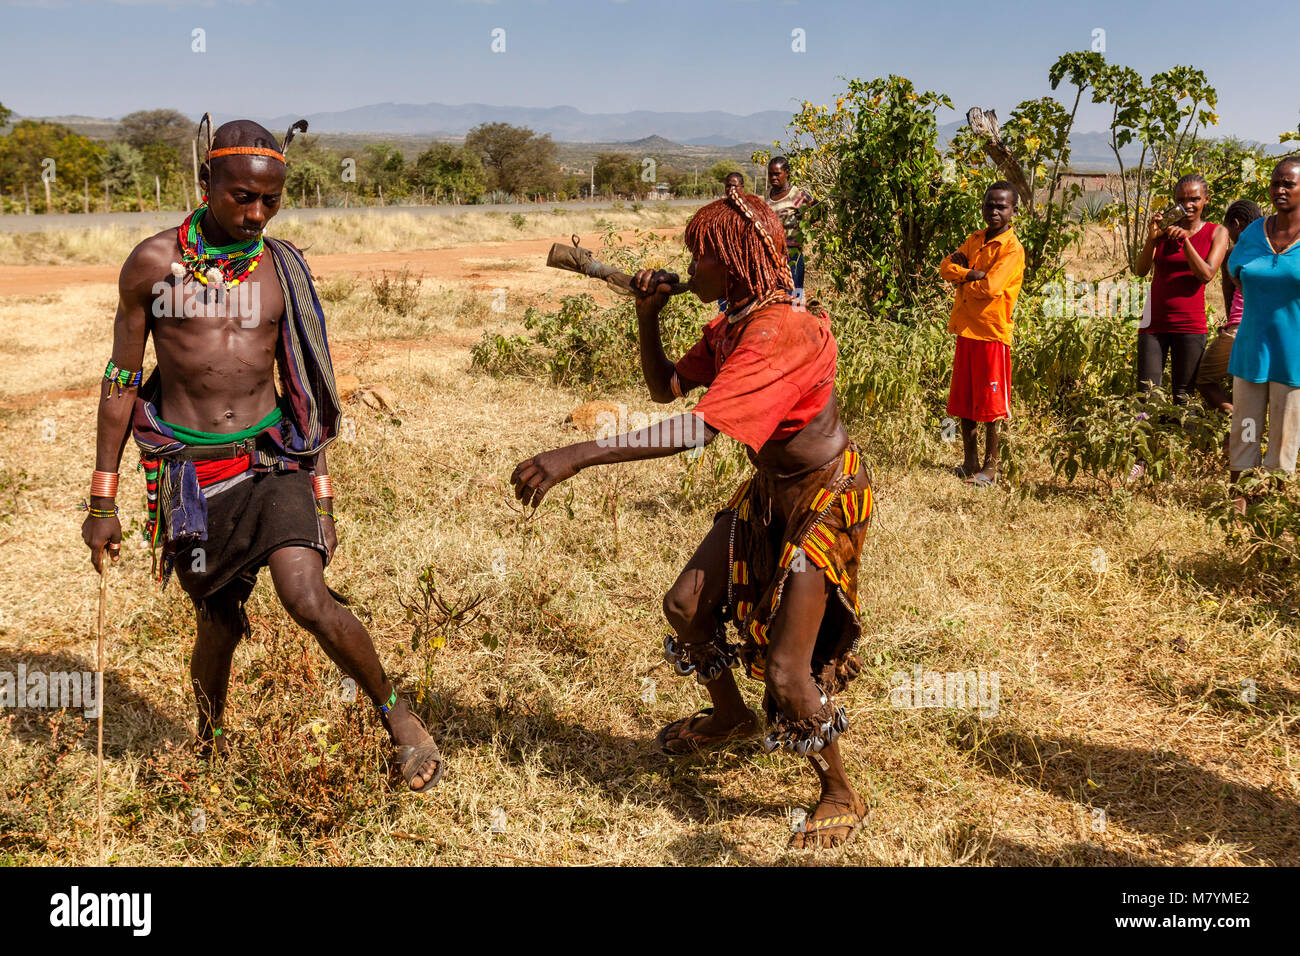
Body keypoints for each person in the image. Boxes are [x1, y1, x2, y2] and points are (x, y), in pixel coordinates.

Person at [80, 118, 444, 791]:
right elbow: (121, 382)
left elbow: (305, 388)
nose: (256, 214)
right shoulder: (153, 265)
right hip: (189, 476)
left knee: (306, 596)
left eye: (271, 201)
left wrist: (323, 496)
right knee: (219, 621)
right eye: (241, 197)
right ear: (205, 182)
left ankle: (400, 720)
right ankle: (211, 740)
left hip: (271, 459)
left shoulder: (282, 269)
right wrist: (101, 498)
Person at [511, 185, 873, 849]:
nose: (689, 269)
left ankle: (839, 790)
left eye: (697, 258)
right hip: (770, 489)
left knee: (790, 672)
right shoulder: (733, 323)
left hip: (823, 499)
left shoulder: (780, 331)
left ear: (731, 263)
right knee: (685, 606)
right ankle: (731, 720)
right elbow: (665, 389)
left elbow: (696, 430)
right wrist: (648, 314)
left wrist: (579, 454)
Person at [938, 182, 1025, 486]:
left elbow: (992, 288)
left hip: (991, 333)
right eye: (989, 204)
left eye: (1001, 206)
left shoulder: (1011, 248)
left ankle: (991, 466)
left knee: (991, 404)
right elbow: (945, 267)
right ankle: (969, 461)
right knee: (964, 400)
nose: (994, 211)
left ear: (1014, 210)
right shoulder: (975, 240)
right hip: (966, 330)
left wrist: (965, 280)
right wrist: (970, 274)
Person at [1226, 157, 1300, 480]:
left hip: (1293, 356)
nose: (1280, 190)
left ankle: (1272, 514)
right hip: (1251, 351)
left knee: (1284, 443)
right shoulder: (1254, 233)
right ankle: (1239, 501)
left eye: (1289, 184)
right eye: (1275, 183)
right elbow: (1235, 273)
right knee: (1245, 429)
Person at [1134, 174, 1230, 404]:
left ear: (1206, 199)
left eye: (1194, 199)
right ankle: (1145, 439)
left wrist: (1185, 242)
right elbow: (1140, 270)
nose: (1187, 205)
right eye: (1181, 199)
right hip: (1153, 324)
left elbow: (1206, 274)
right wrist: (1152, 239)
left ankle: (1183, 439)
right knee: (1146, 396)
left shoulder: (1217, 232)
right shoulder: (1165, 231)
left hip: (1190, 325)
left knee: (1183, 398)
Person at [1197, 199, 1264, 415]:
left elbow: (1229, 299)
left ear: (1236, 224)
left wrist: (1228, 327)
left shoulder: (1233, 255)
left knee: (1203, 377)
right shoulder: (1274, 249)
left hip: (1239, 330)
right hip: (1267, 329)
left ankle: (1235, 416)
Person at [766, 155, 815, 295]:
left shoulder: (794, 195)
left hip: (791, 255)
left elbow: (819, 209)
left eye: (777, 174)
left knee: (794, 296)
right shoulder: (769, 196)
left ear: (786, 173)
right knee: (776, 296)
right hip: (773, 255)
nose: (773, 178)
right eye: (770, 174)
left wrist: (805, 223)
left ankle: (800, 317)